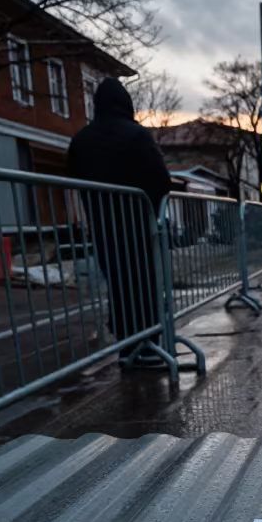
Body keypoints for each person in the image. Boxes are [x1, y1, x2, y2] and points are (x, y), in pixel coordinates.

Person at [67, 77, 171, 355]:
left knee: (117, 284)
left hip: (102, 225)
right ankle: (148, 345)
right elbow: (160, 180)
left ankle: (126, 346)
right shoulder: (136, 135)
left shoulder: (81, 140)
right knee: (143, 283)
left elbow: (73, 178)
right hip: (136, 224)